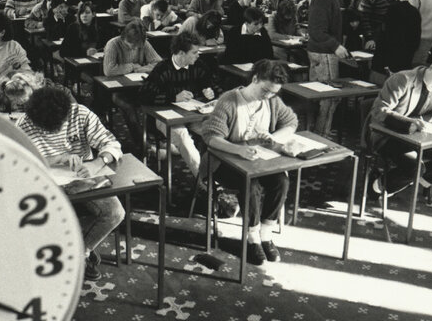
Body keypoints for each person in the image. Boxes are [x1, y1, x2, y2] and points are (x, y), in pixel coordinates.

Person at [17, 86, 125, 281]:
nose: (56, 130)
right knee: (36, 219)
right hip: (45, 182)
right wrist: (56, 158)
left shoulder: (80, 114)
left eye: (60, 125)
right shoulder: (24, 124)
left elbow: (112, 144)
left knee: (115, 213)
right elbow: (17, 162)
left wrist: (97, 164)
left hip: (83, 178)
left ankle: (79, 253)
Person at [202, 59, 299, 265]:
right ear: (254, 79)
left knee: (282, 181)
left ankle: (266, 233)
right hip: (224, 161)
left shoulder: (271, 101)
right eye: (265, 90)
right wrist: (239, 149)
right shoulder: (229, 100)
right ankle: (252, 237)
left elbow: (291, 121)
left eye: (273, 93)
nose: (268, 96)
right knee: (251, 184)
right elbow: (211, 137)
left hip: (257, 160)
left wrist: (276, 138)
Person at [367, 55, 432, 195]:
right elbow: (379, 111)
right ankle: (375, 188)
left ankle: (404, 181)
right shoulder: (402, 79)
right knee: (415, 167)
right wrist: (408, 122)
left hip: (419, 138)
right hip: (388, 135)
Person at [140, 32, 221, 177]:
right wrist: (173, 97)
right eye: (194, 52)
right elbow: (144, 95)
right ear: (182, 53)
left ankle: (219, 176)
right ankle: (204, 180)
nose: (198, 55)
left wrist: (211, 91)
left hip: (193, 115)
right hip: (165, 118)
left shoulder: (199, 66)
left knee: (217, 133)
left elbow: (213, 84)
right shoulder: (162, 68)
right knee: (183, 137)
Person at [307, 0, 352, 137]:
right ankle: (321, 137)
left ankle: (318, 134)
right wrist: (336, 46)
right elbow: (316, 30)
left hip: (323, 51)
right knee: (328, 98)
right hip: (324, 52)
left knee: (323, 98)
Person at [103, 20, 163, 148]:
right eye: (131, 46)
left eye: (138, 46)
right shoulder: (113, 44)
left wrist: (143, 68)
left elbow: (159, 63)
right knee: (129, 107)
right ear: (123, 37)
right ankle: (142, 144)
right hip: (118, 90)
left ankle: (158, 137)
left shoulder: (143, 43)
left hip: (138, 87)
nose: (135, 49)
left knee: (158, 99)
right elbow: (109, 70)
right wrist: (131, 66)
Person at [371, 0, 422, 79]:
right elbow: (416, 41)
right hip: (405, 62)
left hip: (387, 63)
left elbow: (386, 39)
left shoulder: (391, 10)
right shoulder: (415, 12)